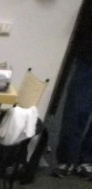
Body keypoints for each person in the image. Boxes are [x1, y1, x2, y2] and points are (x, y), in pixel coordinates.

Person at [52, 2, 92, 178]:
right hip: (88, 54)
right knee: (76, 109)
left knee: (77, 108)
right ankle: (68, 158)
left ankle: (87, 159)